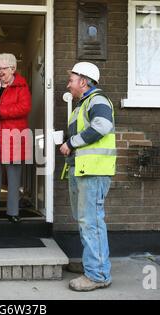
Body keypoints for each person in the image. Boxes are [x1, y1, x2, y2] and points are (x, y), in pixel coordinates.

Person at [59, 62, 116, 291]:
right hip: (83, 169)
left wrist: (71, 142)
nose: (69, 84)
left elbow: (102, 126)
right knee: (85, 220)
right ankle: (91, 265)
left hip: (94, 170)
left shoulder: (97, 100)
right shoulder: (81, 105)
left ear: (83, 81)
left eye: (71, 79)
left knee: (91, 221)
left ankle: (98, 274)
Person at [0, 53, 32, 223]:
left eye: (3, 68)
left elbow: (24, 108)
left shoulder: (21, 86)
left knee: (13, 176)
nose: (0, 72)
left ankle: (13, 212)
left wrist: (0, 111)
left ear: (13, 68)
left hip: (14, 136)